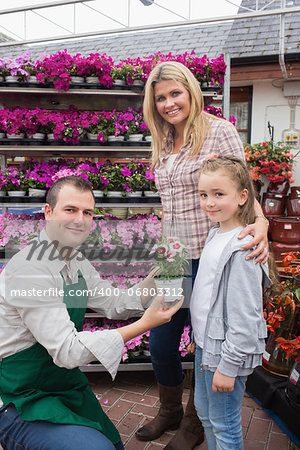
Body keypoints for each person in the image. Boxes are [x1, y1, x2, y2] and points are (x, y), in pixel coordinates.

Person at [136, 61, 269, 449]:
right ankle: (170, 410)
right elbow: (169, 204)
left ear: (191, 91)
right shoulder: (161, 138)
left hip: (210, 256)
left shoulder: (218, 131)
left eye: (175, 93)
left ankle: (195, 422)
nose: (168, 103)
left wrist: (260, 225)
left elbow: (241, 185)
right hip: (173, 257)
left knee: (206, 341)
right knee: (161, 341)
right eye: (160, 97)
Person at [0, 175, 183, 450]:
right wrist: (145, 324)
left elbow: (114, 301)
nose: (80, 219)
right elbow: (67, 350)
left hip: (58, 382)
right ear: (48, 213)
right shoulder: (31, 268)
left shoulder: (74, 259)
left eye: (88, 212)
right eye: (70, 210)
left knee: (111, 444)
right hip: (18, 393)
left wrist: (156, 279)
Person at [190, 155, 272, 449]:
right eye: (204, 195)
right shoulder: (215, 234)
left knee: (224, 423)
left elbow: (246, 316)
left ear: (242, 197)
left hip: (225, 356)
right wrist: (196, 335)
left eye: (218, 194)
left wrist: (229, 366)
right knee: (205, 414)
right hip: (205, 348)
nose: (209, 202)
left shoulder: (242, 249)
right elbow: (208, 296)